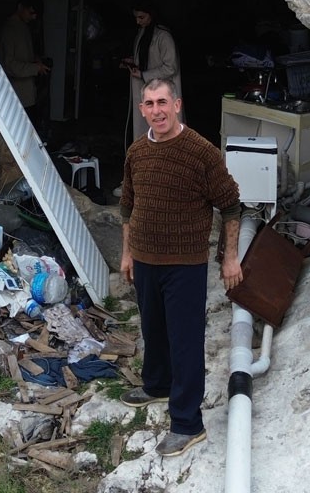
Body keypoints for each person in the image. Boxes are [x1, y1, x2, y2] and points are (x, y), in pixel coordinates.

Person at [118, 77, 243, 457]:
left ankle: (188, 424)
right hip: (145, 259)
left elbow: (232, 204)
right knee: (153, 329)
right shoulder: (137, 152)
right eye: (149, 104)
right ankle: (157, 384)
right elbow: (127, 205)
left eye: (162, 102)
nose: (156, 110)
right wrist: (127, 253)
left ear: (177, 105)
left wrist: (231, 257)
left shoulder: (201, 152)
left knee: (185, 341)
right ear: (142, 109)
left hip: (184, 265)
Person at [122, 0, 182, 144]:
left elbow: (170, 67)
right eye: (136, 17)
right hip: (144, 90)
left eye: (141, 17)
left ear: (151, 15)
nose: (138, 21)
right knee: (144, 133)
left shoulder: (164, 36)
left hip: (162, 91)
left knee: (164, 134)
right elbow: (146, 58)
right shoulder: (142, 33)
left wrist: (144, 75)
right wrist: (132, 62)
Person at [0, 0, 50, 129]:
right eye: (31, 12)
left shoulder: (23, 26)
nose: (33, 17)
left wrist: (35, 59)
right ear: (20, 6)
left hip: (28, 93)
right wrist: (35, 68)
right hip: (17, 96)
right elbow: (9, 65)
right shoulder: (9, 30)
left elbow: (24, 53)